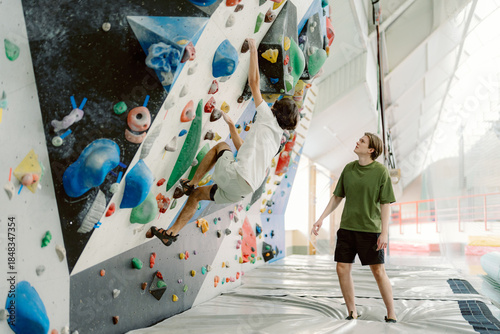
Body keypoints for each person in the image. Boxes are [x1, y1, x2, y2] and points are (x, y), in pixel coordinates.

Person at [147, 38, 300, 246]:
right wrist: (230, 127)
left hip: (238, 176)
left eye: (276, 103)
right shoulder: (276, 140)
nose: (273, 103)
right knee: (199, 197)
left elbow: (254, 83)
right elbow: (243, 149)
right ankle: (170, 233)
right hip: (244, 190)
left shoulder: (267, 116)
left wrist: (254, 50)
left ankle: (191, 184)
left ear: (276, 110)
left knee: (220, 147)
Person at [311, 133, 397, 323]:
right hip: (347, 229)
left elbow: (385, 204)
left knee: (378, 271)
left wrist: (384, 232)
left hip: (370, 230)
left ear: (371, 150)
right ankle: (352, 311)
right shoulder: (348, 169)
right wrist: (321, 219)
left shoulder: (381, 172)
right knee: (342, 268)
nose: (357, 142)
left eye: (362, 141)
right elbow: (337, 197)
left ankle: (391, 312)